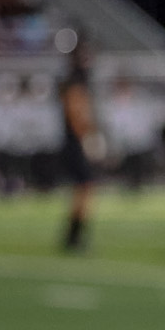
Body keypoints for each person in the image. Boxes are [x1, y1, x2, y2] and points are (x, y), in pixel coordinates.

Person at [58, 42, 99, 252]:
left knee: (83, 188)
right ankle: (73, 237)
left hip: (74, 141)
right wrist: (88, 137)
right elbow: (76, 115)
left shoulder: (75, 82)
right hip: (75, 142)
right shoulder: (75, 83)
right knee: (85, 187)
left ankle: (72, 236)